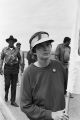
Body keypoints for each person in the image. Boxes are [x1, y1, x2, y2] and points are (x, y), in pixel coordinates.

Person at [20, 31, 69, 120]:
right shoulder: (29, 73)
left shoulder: (59, 66)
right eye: (41, 46)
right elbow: (25, 106)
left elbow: (64, 90)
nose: (45, 48)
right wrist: (51, 115)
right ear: (34, 51)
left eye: (48, 45)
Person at [0, 35, 21, 107]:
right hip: (7, 68)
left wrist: (19, 65)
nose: (11, 42)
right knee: (7, 84)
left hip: (15, 68)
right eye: (10, 41)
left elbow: (20, 58)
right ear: (8, 42)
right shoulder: (4, 49)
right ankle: (6, 94)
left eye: (12, 41)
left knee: (14, 85)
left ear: (14, 42)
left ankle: (13, 101)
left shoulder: (17, 50)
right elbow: (2, 58)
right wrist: (0, 67)